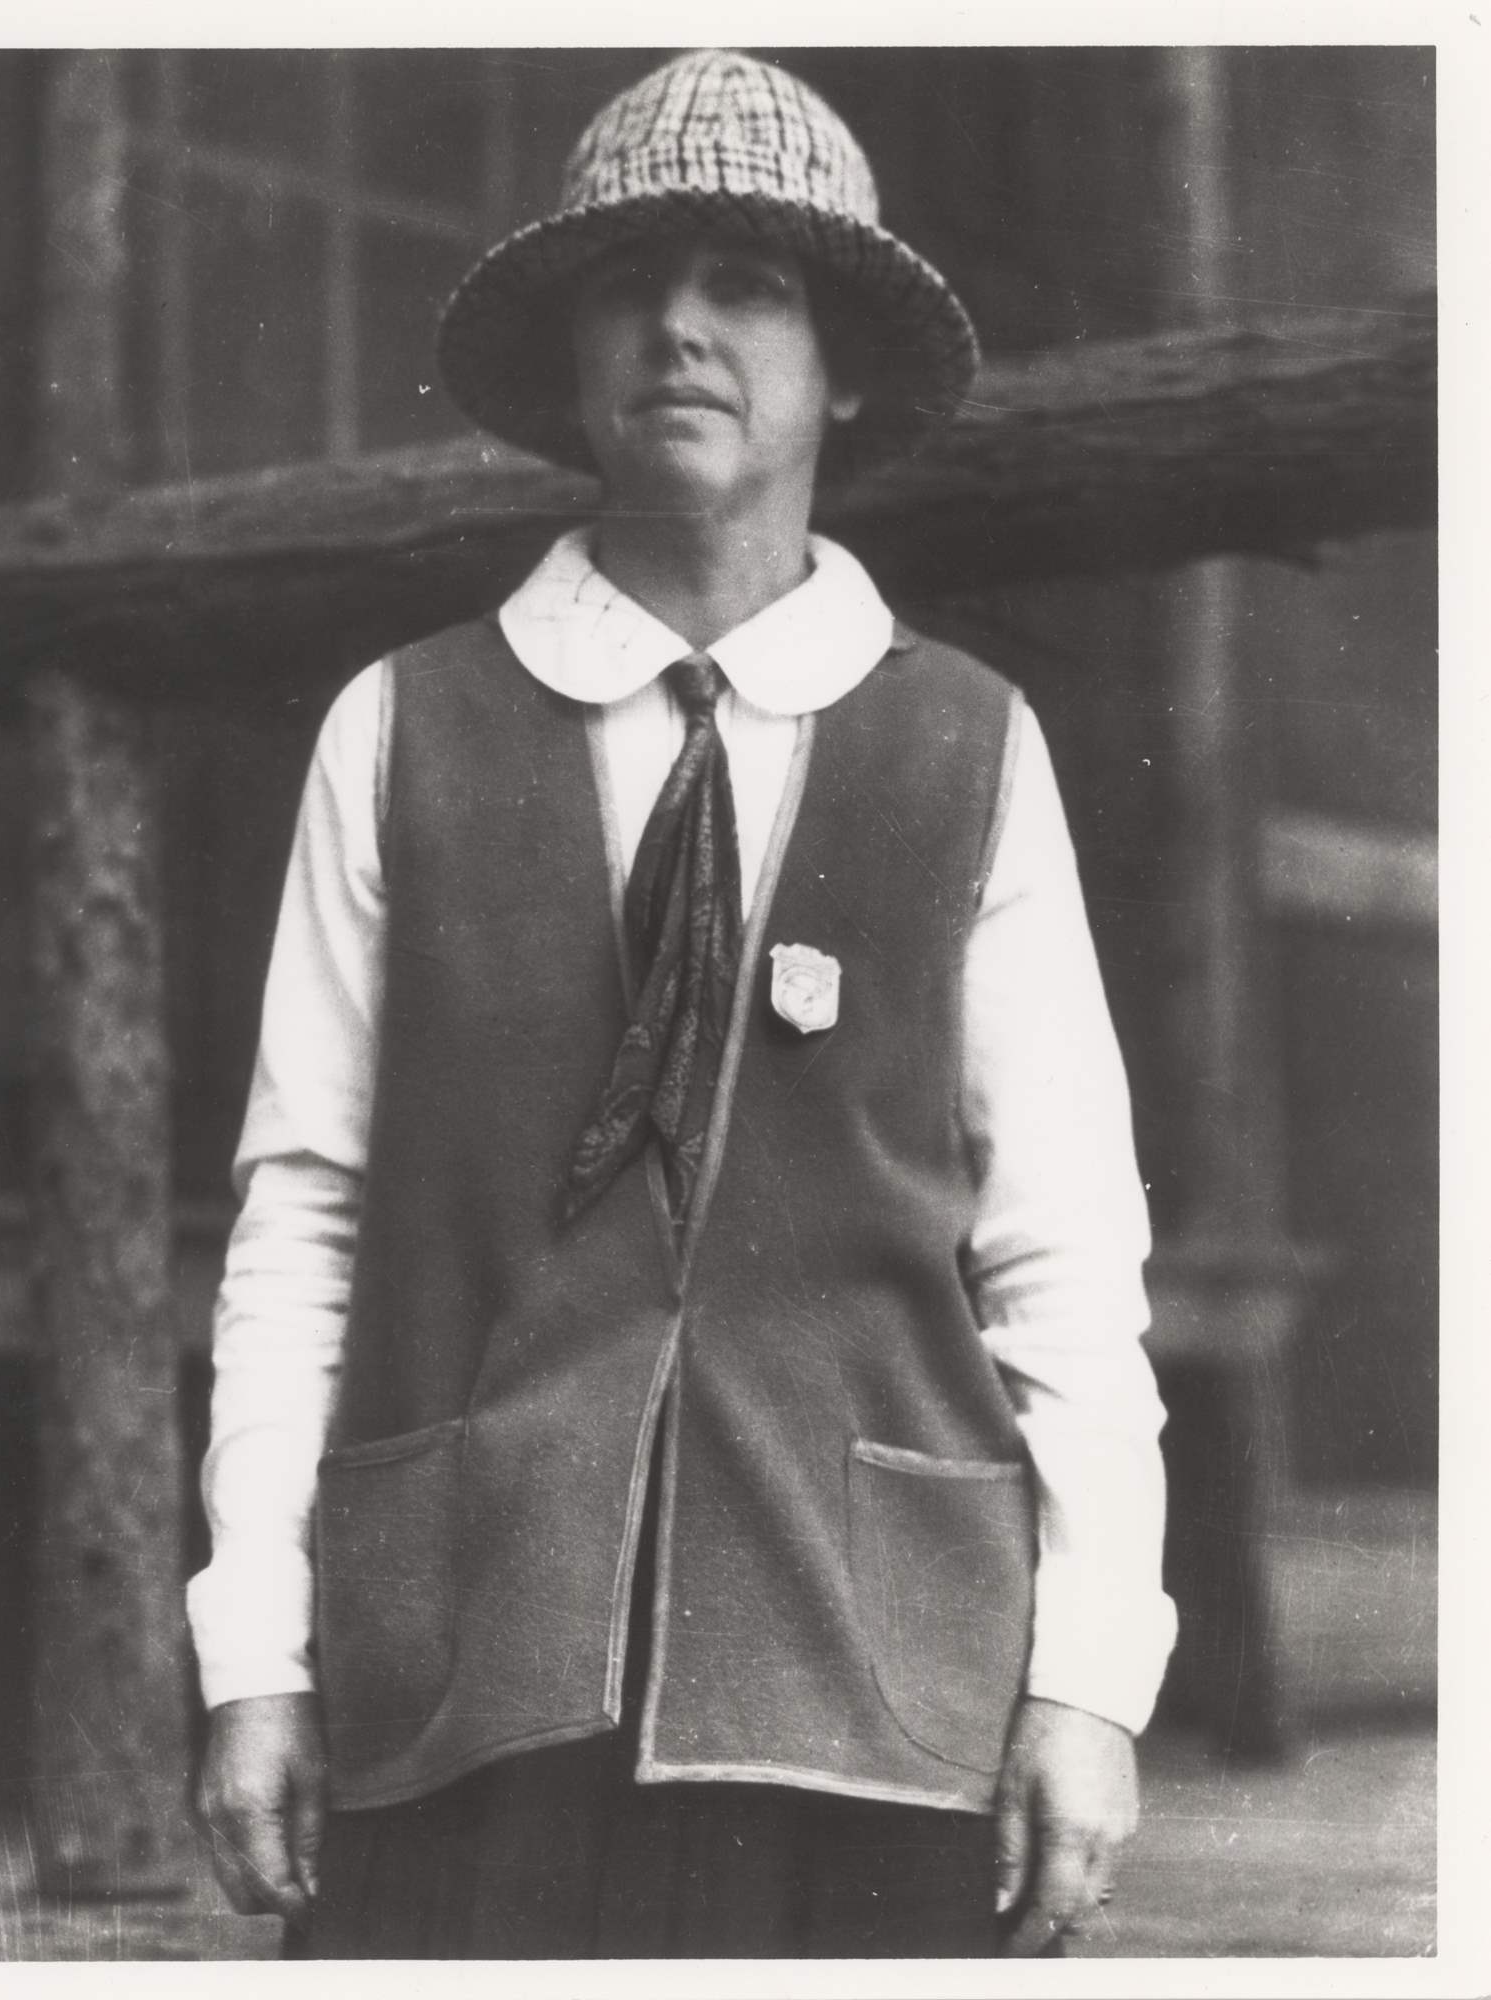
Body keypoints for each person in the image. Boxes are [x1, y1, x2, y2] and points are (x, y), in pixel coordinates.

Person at [189, 48, 1176, 1960]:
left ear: (848, 364)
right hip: (471, 1671)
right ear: (569, 354)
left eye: (751, 282)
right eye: (631, 282)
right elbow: (301, 1221)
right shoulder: (402, 727)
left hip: (864, 1679)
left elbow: (1060, 1248)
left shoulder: (963, 741)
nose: (680, 326)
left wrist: (1087, 1680)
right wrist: (256, 1653)